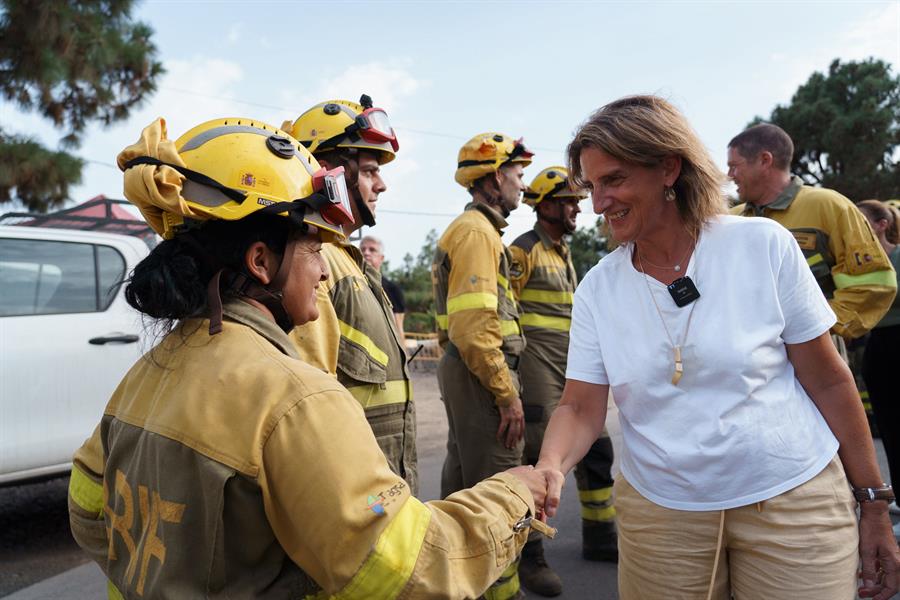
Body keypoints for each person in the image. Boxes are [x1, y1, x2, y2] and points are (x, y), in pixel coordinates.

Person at [67, 117, 550, 599]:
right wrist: (513, 495)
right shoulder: (295, 397)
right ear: (261, 261)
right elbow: (414, 569)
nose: (323, 271)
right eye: (315, 247)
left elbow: (87, 512)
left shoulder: (147, 372)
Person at [535, 96, 900, 600]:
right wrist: (550, 464)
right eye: (591, 186)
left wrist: (875, 503)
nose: (598, 203)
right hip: (661, 518)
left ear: (669, 168)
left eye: (613, 180)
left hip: (792, 501)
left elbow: (828, 378)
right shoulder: (598, 288)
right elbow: (579, 405)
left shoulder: (762, 245)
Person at [283, 96, 417, 493]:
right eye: (371, 171)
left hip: (380, 481)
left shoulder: (347, 258)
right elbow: (308, 404)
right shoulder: (317, 262)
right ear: (330, 173)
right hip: (354, 487)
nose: (382, 184)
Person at [432, 132, 532, 600]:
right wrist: (506, 394)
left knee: (464, 485)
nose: (522, 185)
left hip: (467, 372)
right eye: (517, 174)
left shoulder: (479, 230)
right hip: (480, 375)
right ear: (494, 177)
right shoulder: (476, 233)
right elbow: (474, 329)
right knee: (499, 493)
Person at [508, 166, 615, 597]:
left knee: (599, 449)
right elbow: (506, 312)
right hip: (536, 370)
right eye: (568, 202)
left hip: (568, 367)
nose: (576, 209)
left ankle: (600, 537)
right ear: (547, 205)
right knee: (540, 462)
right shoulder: (524, 250)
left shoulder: (563, 252)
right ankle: (532, 558)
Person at [727, 123, 896, 341]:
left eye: (734, 166)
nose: (730, 175)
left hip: (815, 357)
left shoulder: (829, 205)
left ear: (764, 160)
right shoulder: (730, 219)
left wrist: (814, 326)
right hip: (746, 356)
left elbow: (875, 284)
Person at [856, 199, 900, 534]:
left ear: (882, 224)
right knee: (890, 428)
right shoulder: (857, 265)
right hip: (878, 347)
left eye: (861, 220)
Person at [360, 235, 407, 348]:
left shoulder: (393, 290)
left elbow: (399, 328)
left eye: (372, 250)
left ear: (381, 258)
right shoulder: (350, 284)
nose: (366, 253)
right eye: (362, 249)